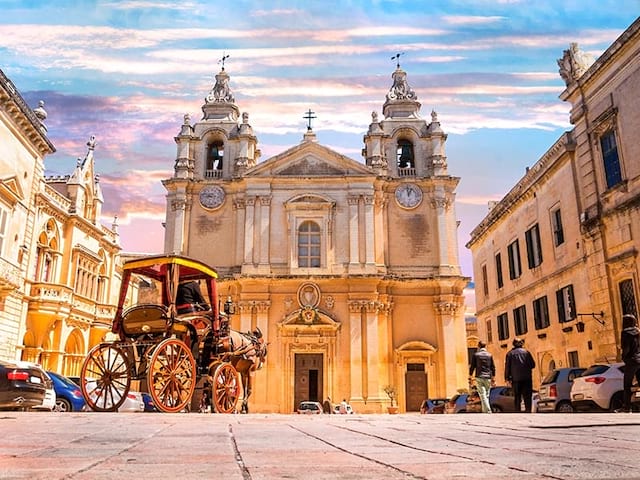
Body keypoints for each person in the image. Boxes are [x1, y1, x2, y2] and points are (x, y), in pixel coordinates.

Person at [504, 337, 536, 412]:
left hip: (516, 379)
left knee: (517, 397)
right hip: (527, 378)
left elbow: (507, 367)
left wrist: (507, 378)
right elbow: (533, 365)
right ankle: (528, 411)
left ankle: (518, 411)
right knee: (527, 397)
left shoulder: (510, 354)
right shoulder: (526, 352)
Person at [618, 314, 640, 413]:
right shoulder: (638, 331)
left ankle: (626, 407)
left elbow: (626, 348)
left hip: (631, 361)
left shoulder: (625, 333)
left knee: (627, 385)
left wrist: (623, 357)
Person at [469, 340, 495, 413]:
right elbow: (493, 367)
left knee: (482, 394)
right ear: (485, 346)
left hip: (479, 376)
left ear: (478, 346)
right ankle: (485, 410)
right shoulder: (489, 355)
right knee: (486, 394)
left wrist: (470, 375)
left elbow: (472, 366)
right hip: (488, 377)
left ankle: (487, 410)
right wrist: (493, 377)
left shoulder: (476, 355)